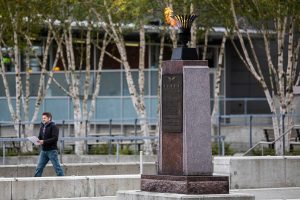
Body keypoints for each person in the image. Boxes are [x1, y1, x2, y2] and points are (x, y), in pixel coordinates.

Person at [34, 112, 64, 177]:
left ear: (49, 118)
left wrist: (44, 141)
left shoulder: (54, 126)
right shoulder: (42, 126)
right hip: (44, 151)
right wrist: (37, 141)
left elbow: (55, 138)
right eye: (42, 118)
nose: (43, 119)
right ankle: (36, 181)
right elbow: (40, 137)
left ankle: (63, 180)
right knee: (39, 168)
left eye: (44, 118)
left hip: (52, 151)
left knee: (57, 168)